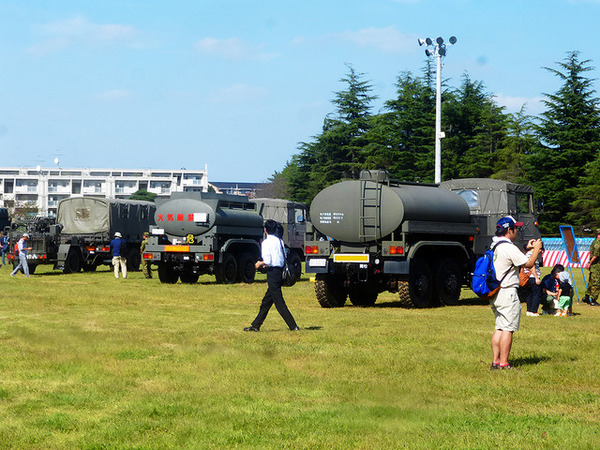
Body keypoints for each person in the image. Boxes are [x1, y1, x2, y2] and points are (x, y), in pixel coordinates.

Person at [489, 216, 542, 370]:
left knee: (499, 327)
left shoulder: (495, 245)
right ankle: (504, 363)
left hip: (496, 292)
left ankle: (495, 362)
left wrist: (526, 248)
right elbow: (529, 263)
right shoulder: (509, 247)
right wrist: (537, 249)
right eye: (516, 228)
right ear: (509, 230)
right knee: (508, 328)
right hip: (508, 292)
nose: (517, 231)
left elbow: (512, 258)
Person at [244, 219, 299, 332]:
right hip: (279, 271)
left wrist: (259, 263)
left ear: (265, 230)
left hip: (272, 273)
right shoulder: (279, 241)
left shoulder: (266, 243)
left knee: (279, 302)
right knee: (266, 302)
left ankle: (293, 326)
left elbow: (267, 260)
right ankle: (256, 325)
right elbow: (282, 257)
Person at [523, 241, 543, 316]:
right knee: (536, 295)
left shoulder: (527, 254)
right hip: (533, 277)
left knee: (529, 294)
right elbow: (532, 267)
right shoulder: (532, 255)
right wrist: (536, 278)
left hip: (527, 277)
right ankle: (534, 311)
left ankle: (529, 310)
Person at [583, 229, 600, 306]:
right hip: (597, 266)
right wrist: (590, 262)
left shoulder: (594, 242)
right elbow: (595, 256)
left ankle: (586, 297)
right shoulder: (598, 244)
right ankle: (593, 300)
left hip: (594, 267)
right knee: (596, 283)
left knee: (591, 282)